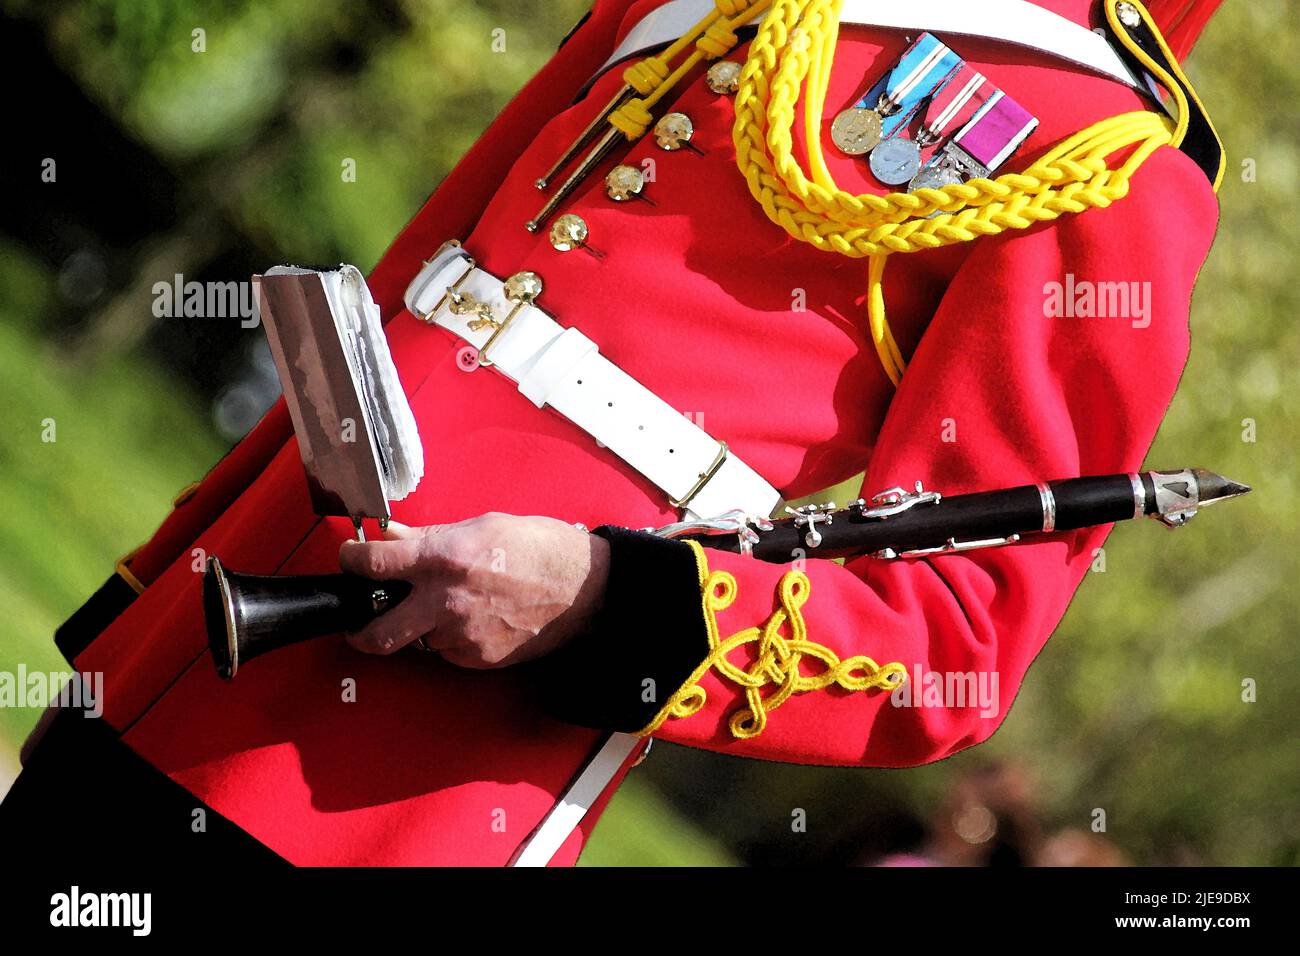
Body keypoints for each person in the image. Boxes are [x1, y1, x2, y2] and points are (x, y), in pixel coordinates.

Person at [3, 0, 1224, 866]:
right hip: (190, 652)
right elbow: (402, 306)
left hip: (398, 784)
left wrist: (599, 599)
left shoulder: (1110, 163)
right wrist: (146, 604)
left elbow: (953, 644)